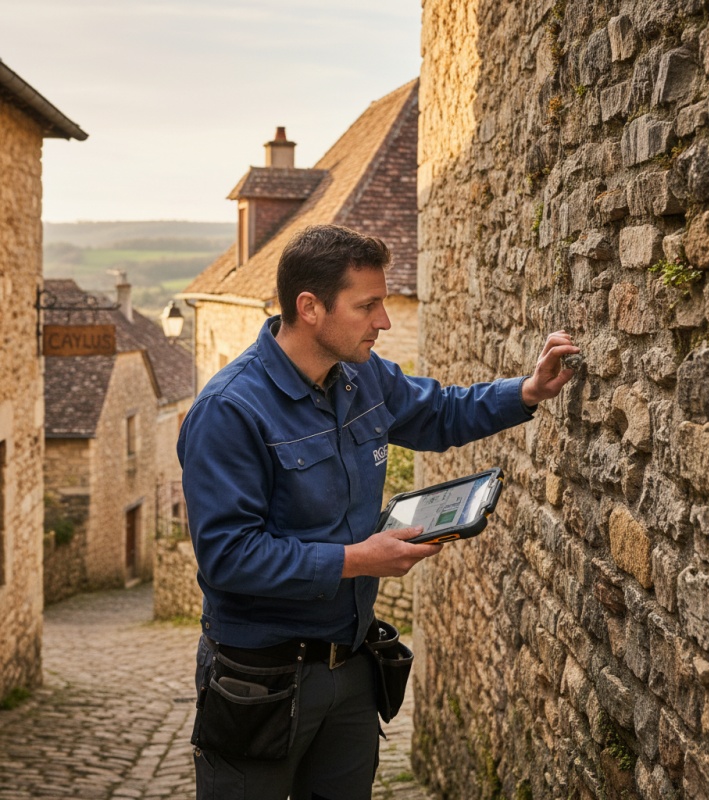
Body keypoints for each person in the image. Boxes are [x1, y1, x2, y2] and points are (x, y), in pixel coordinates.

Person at [178, 224, 580, 800]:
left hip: (354, 669)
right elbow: (228, 557)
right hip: (258, 682)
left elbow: (440, 412)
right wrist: (357, 560)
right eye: (368, 306)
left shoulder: (362, 376)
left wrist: (526, 392)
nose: (384, 321)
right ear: (309, 307)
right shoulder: (229, 410)